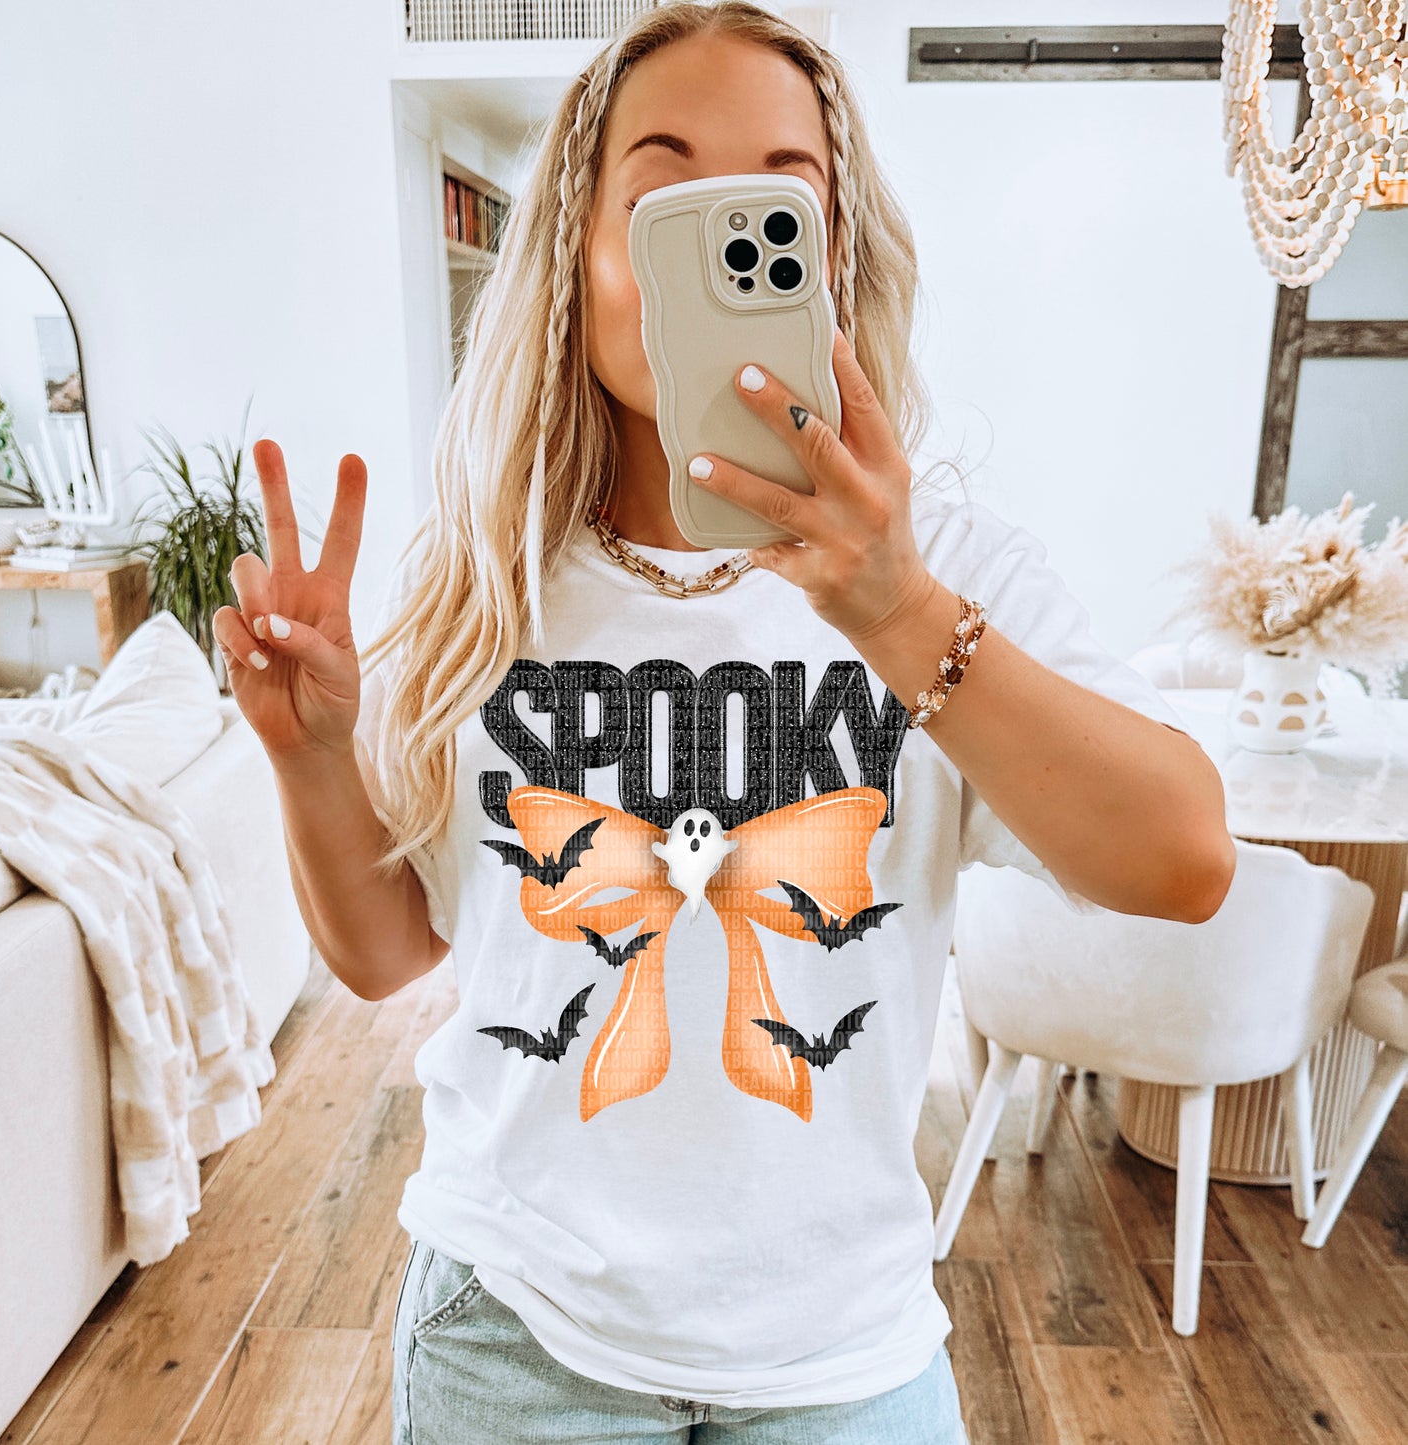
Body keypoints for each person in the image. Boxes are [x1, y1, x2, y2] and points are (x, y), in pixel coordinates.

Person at [213, 4, 1236, 1442]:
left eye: (773, 202)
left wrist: (894, 611)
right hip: (516, 1333)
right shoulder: (484, 574)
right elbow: (389, 952)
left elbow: (1183, 862)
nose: (718, 240)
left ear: (833, 259)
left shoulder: (949, 567)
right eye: (662, 195)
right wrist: (310, 758)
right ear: (575, 254)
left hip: (847, 1349)